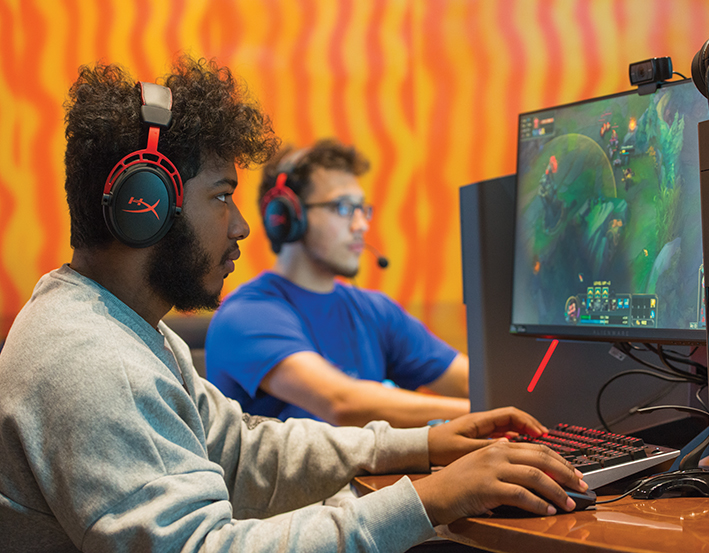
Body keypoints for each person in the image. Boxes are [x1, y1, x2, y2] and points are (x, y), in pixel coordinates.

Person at [0, 56, 588, 552]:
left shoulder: (130, 331)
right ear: (145, 203)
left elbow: (244, 451)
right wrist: (429, 499)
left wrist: (427, 444)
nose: (241, 226)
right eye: (222, 196)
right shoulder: (94, 362)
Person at [205, 139, 470, 427]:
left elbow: (472, 382)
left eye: (362, 209)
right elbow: (341, 403)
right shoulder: (247, 315)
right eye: (343, 207)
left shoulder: (375, 310)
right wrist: (482, 414)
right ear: (286, 216)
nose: (361, 226)